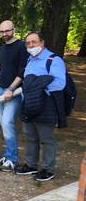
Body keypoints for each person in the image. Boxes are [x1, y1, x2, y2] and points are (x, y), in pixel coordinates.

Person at [15, 32, 66, 182]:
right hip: (28, 105)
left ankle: (48, 169)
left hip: (45, 105)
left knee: (46, 138)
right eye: (28, 43)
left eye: (34, 42)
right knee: (30, 136)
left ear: (42, 43)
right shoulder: (30, 61)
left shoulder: (53, 60)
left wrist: (38, 89)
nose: (31, 45)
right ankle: (31, 165)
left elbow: (59, 83)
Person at [0, 20, 29, 172]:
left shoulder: (21, 46)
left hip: (13, 91)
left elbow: (23, 71)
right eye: (2, 32)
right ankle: (7, 155)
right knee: (3, 124)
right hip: (0, 89)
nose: (4, 34)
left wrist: (10, 88)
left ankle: (12, 159)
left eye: (7, 31)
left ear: (14, 30)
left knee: (8, 122)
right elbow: (4, 68)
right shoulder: (3, 47)